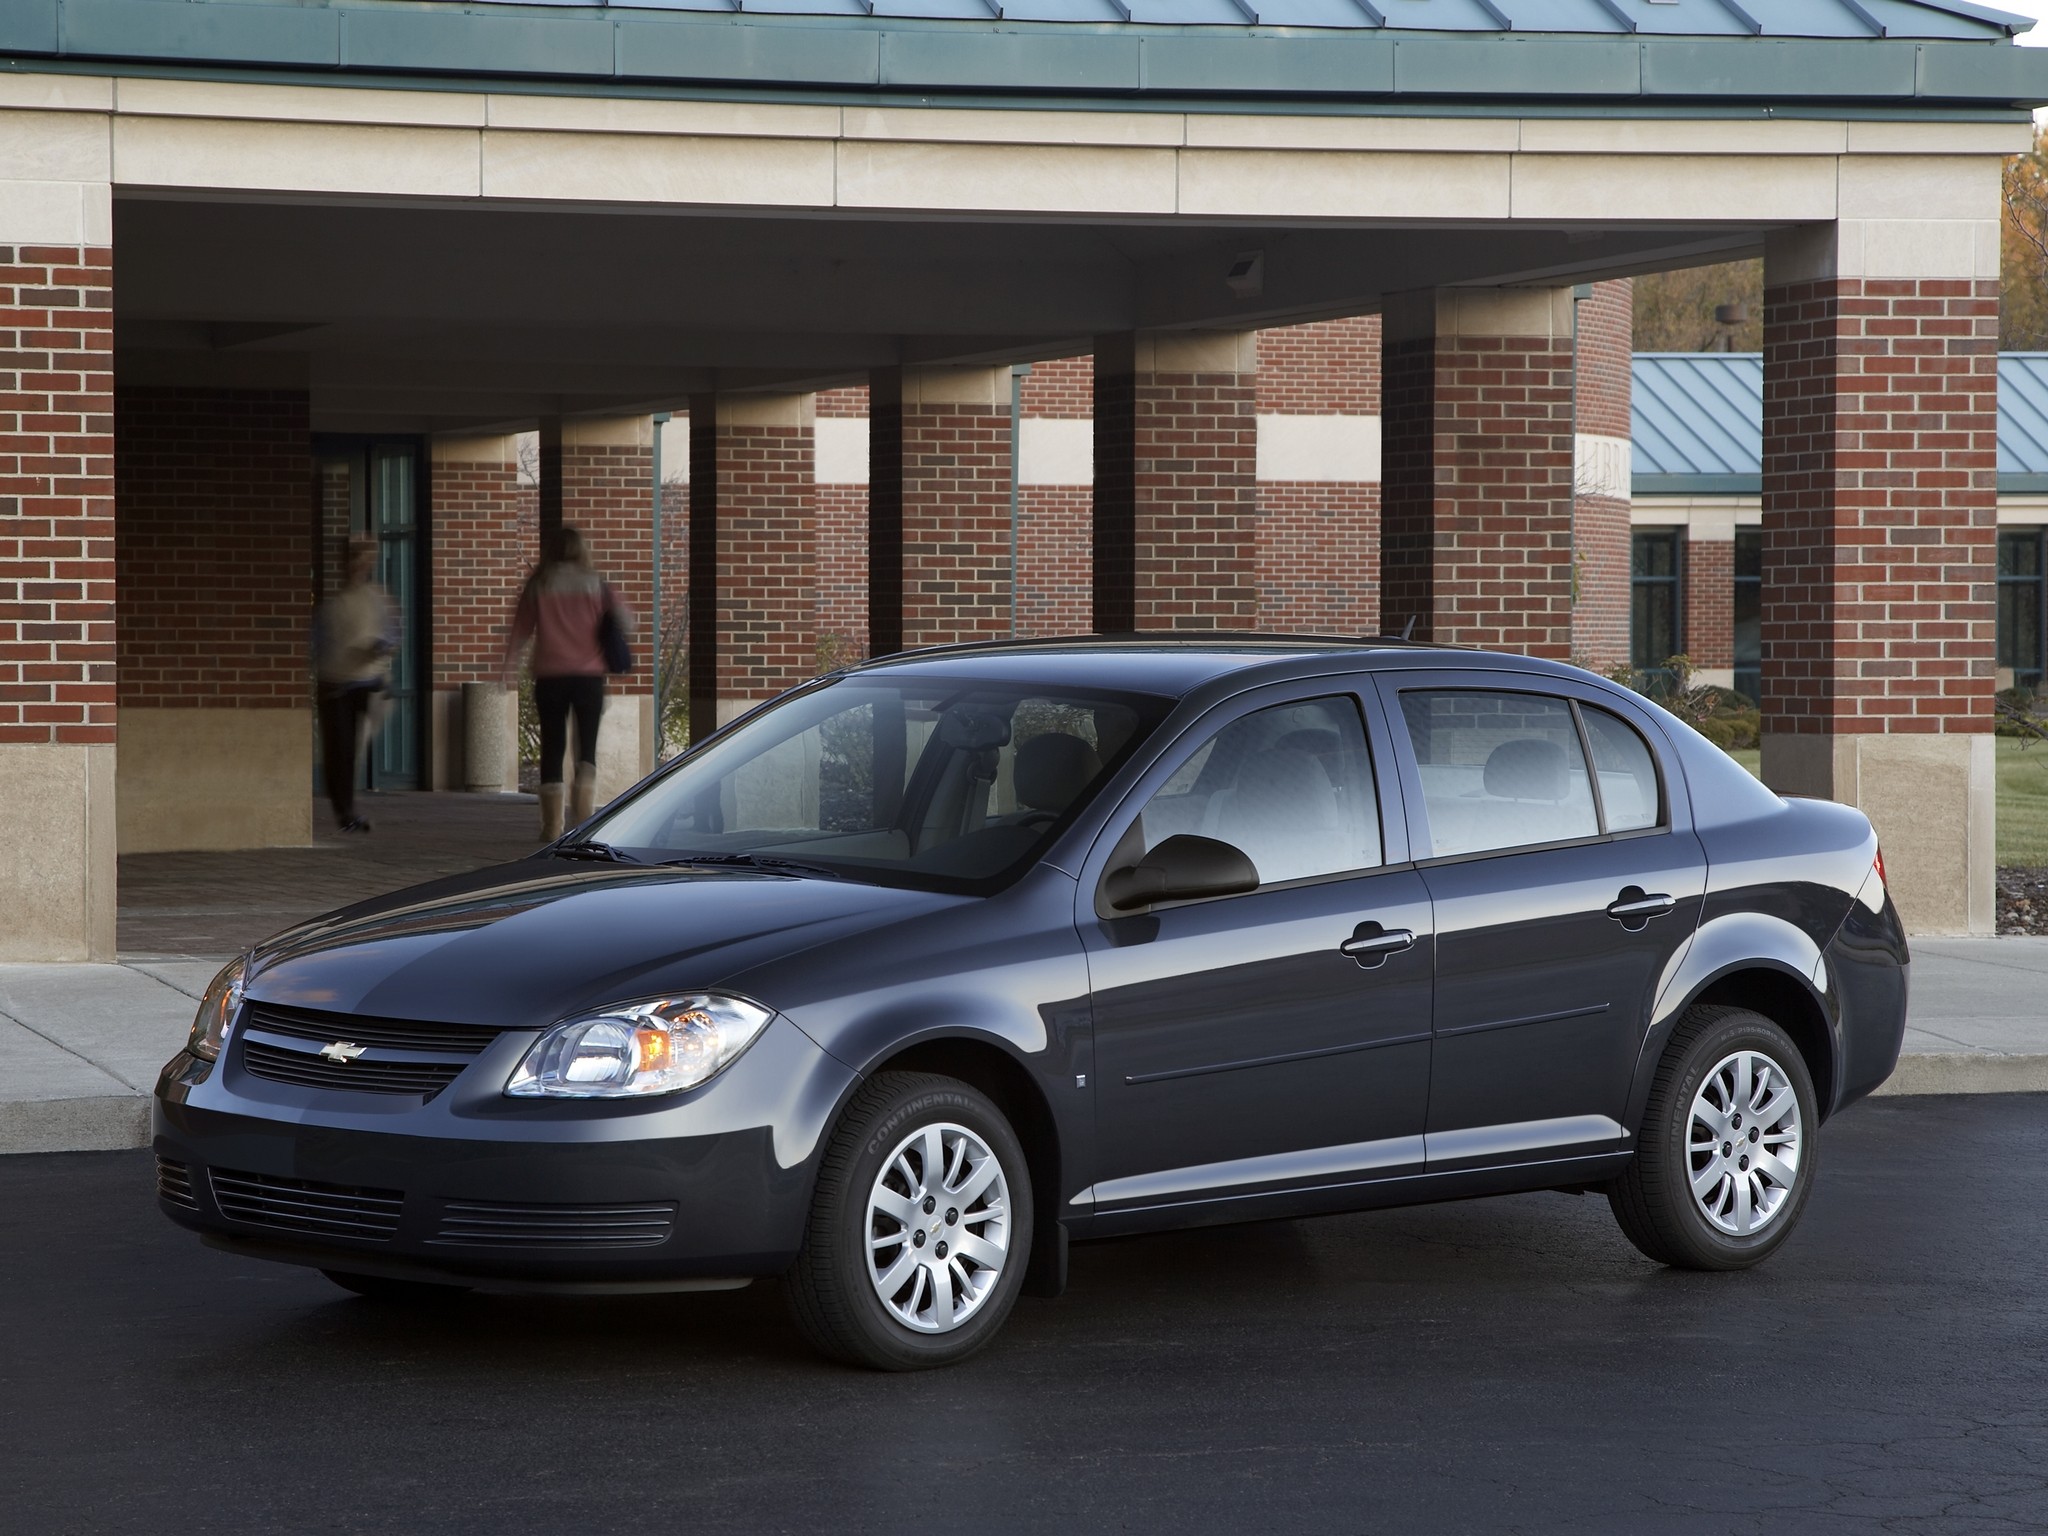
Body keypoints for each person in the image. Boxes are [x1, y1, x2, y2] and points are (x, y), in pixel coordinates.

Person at [505, 526, 633, 841]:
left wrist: (505, 668)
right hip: (588, 677)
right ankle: (584, 822)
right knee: (585, 749)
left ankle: (551, 827)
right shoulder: (597, 585)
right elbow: (627, 621)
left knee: (552, 746)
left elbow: (519, 631)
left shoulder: (539, 584)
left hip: (549, 676)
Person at [313, 538, 397, 834]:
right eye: (355, 560)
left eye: (365, 560)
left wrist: (378, 649)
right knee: (339, 749)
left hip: (364, 682)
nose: (360, 566)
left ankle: (346, 809)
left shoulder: (376, 600)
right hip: (334, 684)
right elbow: (319, 645)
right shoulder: (332, 603)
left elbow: (391, 636)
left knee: (351, 749)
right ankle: (343, 810)